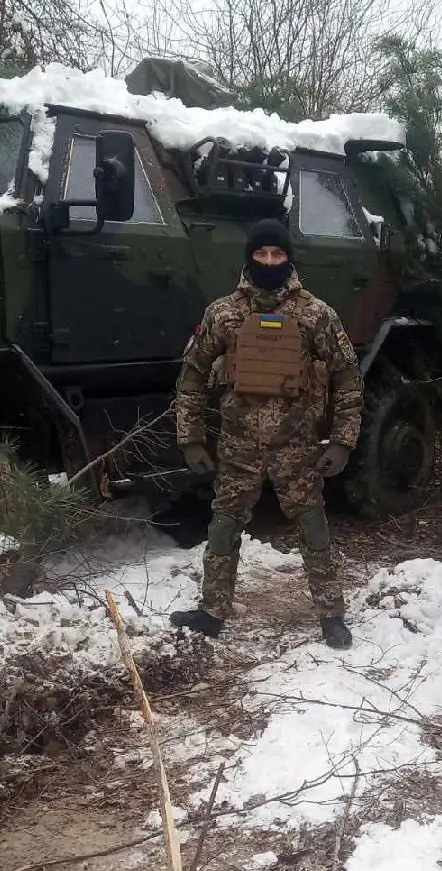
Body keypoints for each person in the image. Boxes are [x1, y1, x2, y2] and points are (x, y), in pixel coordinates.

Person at [169, 218, 363, 649]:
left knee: (313, 526)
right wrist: (192, 438)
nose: (270, 261)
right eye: (262, 254)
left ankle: (331, 615)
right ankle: (212, 611)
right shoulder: (223, 313)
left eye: (277, 254)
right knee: (223, 526)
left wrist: (344, 442)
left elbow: (347, 378)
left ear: (288, 257)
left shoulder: (316, 314)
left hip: (296, 443)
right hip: (238, 444)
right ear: (250, 257)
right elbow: (193, 376)